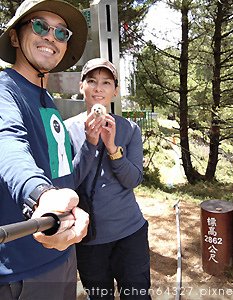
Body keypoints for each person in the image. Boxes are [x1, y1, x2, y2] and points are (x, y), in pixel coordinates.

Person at [0, 0, 94, 299]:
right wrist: (40, 194)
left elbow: (63, 174)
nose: (51, 37)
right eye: (40, 25)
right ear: (15, 37)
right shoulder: (4, 90)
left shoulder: (48, 102)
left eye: (62, 33)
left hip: (63, 253)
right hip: (22, 269)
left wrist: (91, 143)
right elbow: (7, 143)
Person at [65, 58, 152, 300]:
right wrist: (90, 144)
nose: (98, 88)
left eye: (106, 82)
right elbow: (67, 184)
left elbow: (133, 179)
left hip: (130, 232)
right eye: (91, 81)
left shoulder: (130, 129)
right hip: (89, 238)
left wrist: (112, 147)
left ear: (115, 90)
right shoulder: (66, 130)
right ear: (82, 87)